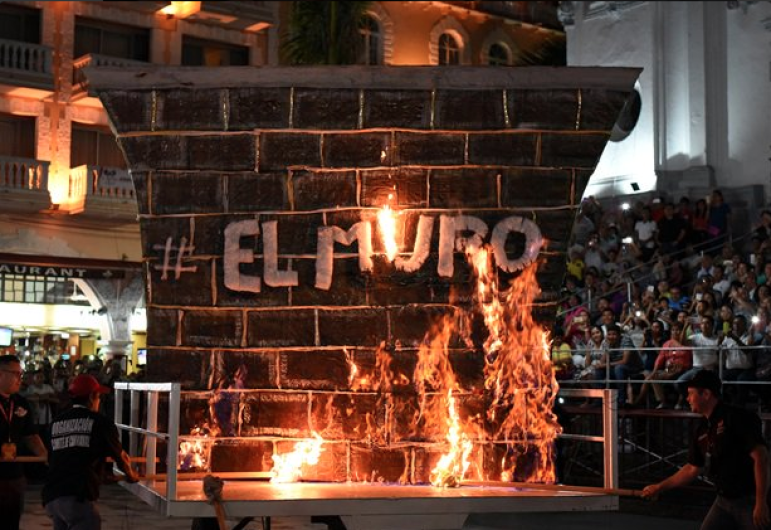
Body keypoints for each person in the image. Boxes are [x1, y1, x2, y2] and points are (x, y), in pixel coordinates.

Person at [642, 370, 770, 530]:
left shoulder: (737, 417)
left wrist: (761, 502)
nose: (687, 399)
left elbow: (761, 458)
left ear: (707, 394)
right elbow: (692, 469)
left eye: (691, 394)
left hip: (749, 499)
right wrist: (660, 487)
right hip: (724, 500)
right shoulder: (702, 429)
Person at [42, 374, 139, 530]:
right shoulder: (100, 423)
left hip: (52, 497)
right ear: (92, 397)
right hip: (77, 496)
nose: (99, 401)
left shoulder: (55, 423)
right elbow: (119, 456)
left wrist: (101, 475)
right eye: (98, 396)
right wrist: (131, 474)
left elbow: (64, 457)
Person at [0, 355, 47, 530]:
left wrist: (44, 455)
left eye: (21, 374)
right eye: (15, 374)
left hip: (14, 472)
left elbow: (31, 435)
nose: (20, 379)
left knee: (11, 520)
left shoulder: (21, 402)